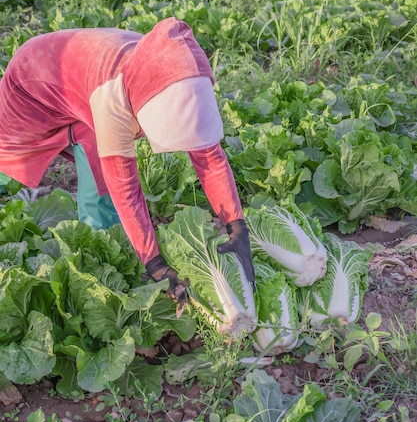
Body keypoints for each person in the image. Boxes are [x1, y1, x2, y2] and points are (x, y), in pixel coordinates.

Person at [0, 17, 255, 305]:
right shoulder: (112, 98)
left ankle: (107, 242)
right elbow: (125, 188)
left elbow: (209, 155)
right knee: (88, 171)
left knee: (95, 148)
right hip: (32, 81)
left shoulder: (179, 67)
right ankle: (96, 252)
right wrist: (154, 263)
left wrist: (237, 225)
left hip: (80, 71)